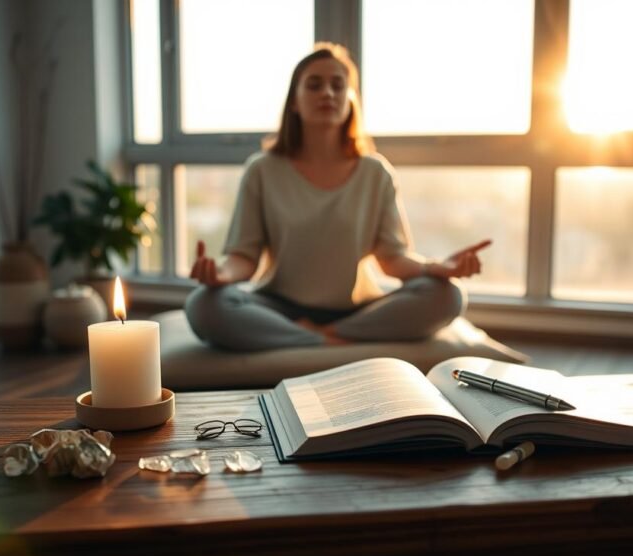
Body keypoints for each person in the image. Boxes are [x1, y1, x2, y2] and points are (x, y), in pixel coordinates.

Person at [185, 43, 491, 351]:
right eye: (314, 85)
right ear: (294, 101)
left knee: (448, 295)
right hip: (279, 307)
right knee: (204, 305)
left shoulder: (375, 172)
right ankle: (325, 340)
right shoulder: (262, 170)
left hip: (356, 309)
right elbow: (244, 258)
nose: (328, 94)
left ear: (350, 100)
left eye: (338, 85)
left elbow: (393, 260)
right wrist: (221, 273)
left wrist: (435, 267)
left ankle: (321, 335)